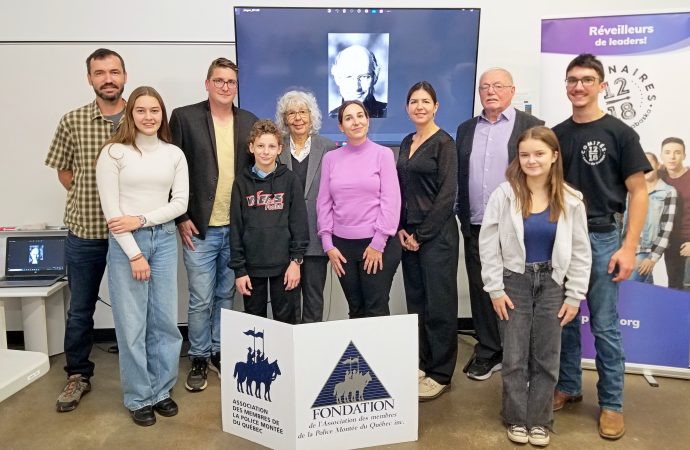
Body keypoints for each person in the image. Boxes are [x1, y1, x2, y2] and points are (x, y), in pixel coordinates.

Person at [554, 54, 650, 440]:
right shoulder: (556, 134)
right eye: (573, 80)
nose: (579, 86)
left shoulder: (620, 133)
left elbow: (639, 192)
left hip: (603, 236)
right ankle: (568, 385)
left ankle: (612, 404)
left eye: (587, 80)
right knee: (564, 319)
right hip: (562, 237)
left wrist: (629, 248)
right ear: (566, 85)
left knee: (606, 326)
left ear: (602, 85)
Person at [480, 126, 591, 447]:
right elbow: (487, 243)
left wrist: (574, 295)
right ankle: (516, 417)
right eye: (525, 154)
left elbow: (582, 251)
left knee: (546, 355)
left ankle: (540, 421)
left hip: (554, 283)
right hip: (514, 280)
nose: (532, 160)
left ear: (554, 155)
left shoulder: (571, 200)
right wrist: (495, 288)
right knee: (514, 356)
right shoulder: (504, 194)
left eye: (539, 154)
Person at [96, 86, 189, 426]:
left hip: (163, 240)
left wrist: (143, 219)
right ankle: (139, 396)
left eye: (155, 110)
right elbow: (112, 211)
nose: (148, 117)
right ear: (130, 114)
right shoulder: (113, 153)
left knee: (165, 322)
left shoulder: (173, 154)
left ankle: (161, 391)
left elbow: (179, 203)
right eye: (141, 110)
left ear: (162, 114)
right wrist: (135, 253)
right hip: (126, 246)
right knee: (132, 325)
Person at [45, 48, 127, 412]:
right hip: (86, 233)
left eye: (114, 71)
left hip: (133, 237)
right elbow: (64, 171)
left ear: (124, 75)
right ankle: (77, 374)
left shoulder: (141, 117)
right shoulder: (72, 120)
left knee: (137, 310)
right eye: (100, 72)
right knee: (80, 309)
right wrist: (90, 199)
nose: (108, 78)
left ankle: (143, 374)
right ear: (89, 78)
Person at [170, 58, 258, 392]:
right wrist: (180, 217)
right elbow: (172, 169)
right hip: (200, 228)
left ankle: (221, 350)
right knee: (200, 298)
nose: (225, 87)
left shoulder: (248, 121)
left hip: (236, 228)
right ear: (207, 83)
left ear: (237, 87)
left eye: (231, 82)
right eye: (218, 80)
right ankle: (198, 357)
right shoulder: (184, 117)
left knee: (225, 294)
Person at [455, 68, 544, 381]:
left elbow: (542, 174)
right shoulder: (466, 129)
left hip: (519, 224)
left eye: (497, 86)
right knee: (482, 288)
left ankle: (517, 352)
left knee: (518, 287)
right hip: (476, 222)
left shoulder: (531, 126)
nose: (490, 91)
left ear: (512, 89)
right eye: (484, 87)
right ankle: (489, 349)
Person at [397, 81, 459, 401]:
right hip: (409, 236)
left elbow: (447, 197)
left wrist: (421, 235)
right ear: (407, 108)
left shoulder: (445, 144)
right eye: (413, 101)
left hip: (437, 237)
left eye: (425, 101)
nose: (419, 106)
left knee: (440, 306)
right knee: (417, 304)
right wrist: (401, 229)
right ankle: (422, 363)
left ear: (436, 107)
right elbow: (401, 190)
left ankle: (441, 372)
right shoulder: (408, 140)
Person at [317, 100, 402, 318]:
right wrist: (328, 244)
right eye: (349, 118)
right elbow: (324, 202)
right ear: (340, 127)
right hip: (342, 247)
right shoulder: (330, 158)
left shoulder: (383, 154)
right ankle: (359, 354)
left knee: (375, 308)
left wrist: (378, 242)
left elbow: (391, 201)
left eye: (360, 116)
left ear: (368, 120)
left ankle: (380, 353)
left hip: (376, 245)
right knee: (355, 308)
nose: (356, 122)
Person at [229, 120, 309, 323]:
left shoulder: (289, 180)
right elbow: (236, 229)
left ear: (280, 149)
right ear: (251, 147)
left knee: (285, 321)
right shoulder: (241, 182)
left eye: (272, 146)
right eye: (260, 146)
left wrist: (295, 262)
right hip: (252, 267)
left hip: (284, 267)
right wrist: (239, 270)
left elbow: (299, 224)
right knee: (256, 325)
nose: (266, 152)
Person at [275, 90, 337, 323]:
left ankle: (311, 353)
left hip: (317, 235)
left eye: (303, 112)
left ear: (312, 116)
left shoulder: (329, 148)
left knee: (313, 299)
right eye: (292, 113)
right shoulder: (276, 148)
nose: (298, 118)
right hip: (284, 238)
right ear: (285, 119)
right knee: (288, 301)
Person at [623, 152, 676, 284]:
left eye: (648, 163)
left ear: (657, 165)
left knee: (631, 286)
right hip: (626, 247)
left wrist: (652, 258)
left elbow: (666, 229)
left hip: (646, 249)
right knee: (642, 287)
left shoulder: (668, 191)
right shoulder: (630, 189)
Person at [659, 137, 690, 289]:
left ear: (684, 155)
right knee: (674, 286)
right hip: (670, 241)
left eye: (677, 152)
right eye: (668, 152)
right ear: (661, 156)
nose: (672, 157)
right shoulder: (659, 177)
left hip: (688, 238)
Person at [329, 45, 387, 118]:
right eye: (349, 77)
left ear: (375, 77)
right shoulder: (331, 117)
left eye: (364, 76)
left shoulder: (386, 113)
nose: (357, 87)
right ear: (337, 78)